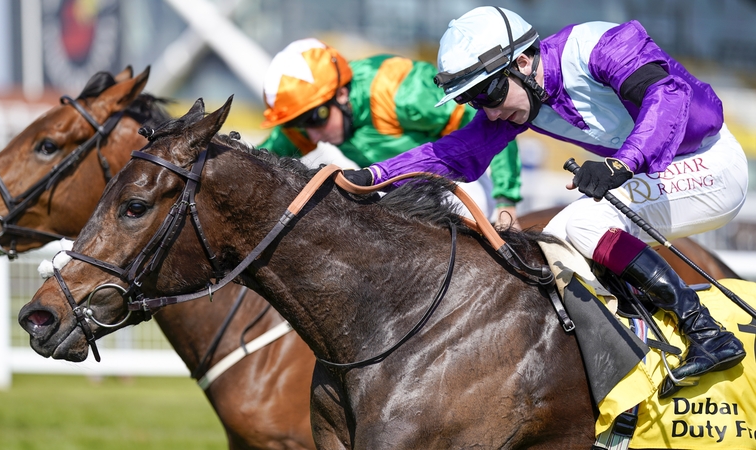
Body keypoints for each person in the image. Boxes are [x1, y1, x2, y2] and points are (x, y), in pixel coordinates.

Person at [344, 6, 748, 398]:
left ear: (521, 62)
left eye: (487, 91)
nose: (489, 109)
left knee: (582, 223)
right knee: (556, 238)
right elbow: (455, 154)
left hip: (710, 162)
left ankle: (706, 333)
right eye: (471, 100)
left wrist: (620, 164)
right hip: (655, 172)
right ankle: (635, 345)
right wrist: (374, 177)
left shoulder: (601, 46)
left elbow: (668, 96)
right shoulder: (522, 99)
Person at [258, 38, 522, 224]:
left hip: (463, 176)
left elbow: (493, 121)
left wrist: (505, 200)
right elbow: (260, 160)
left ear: (340, 93)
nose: (311, 135)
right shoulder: (315, 119)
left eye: (315, 119)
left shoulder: (400, 91)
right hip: (395, 186)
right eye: (298, 124)